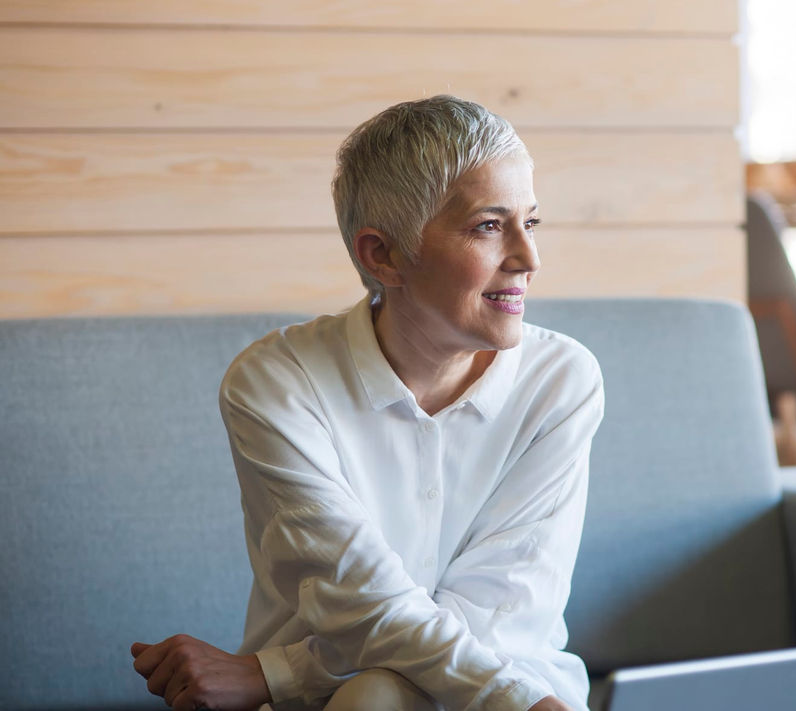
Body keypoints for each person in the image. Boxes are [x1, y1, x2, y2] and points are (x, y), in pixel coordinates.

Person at [129, 96, 605, 711]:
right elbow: (361, 599)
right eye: (489, 226)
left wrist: (274, 673)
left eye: (530, 222)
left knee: (380, 690)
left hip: (511, 678)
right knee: (375, 695)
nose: (528, 258)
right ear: (382, 255)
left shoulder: (561, 379)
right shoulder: (278, 385)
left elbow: (501, 609)